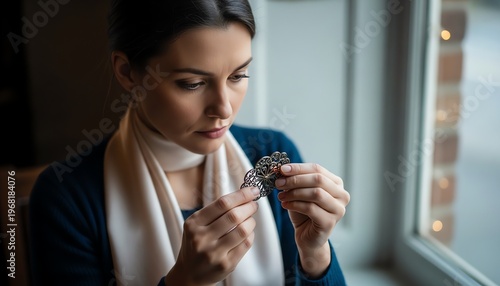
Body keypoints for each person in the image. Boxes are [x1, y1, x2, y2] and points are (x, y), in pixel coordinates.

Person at [29, 0, 350, 285]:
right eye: (193, 83)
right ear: (127, 72)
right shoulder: (65, 198)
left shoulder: (271, 153)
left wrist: (315, 255)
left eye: (238, 76)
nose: (223, 110)